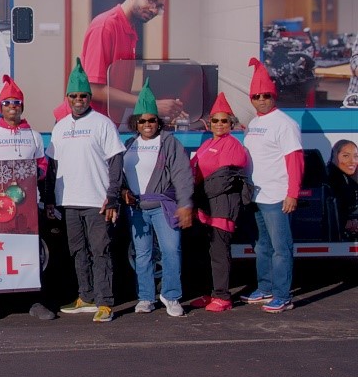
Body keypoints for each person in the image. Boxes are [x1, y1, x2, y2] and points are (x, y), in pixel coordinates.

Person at [45, 58, 125, 323]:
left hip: (97, 202)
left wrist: (113, 196)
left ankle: (105, 303)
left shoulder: (103, 123)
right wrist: (49, 199)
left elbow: (116, 162)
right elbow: (53, 166)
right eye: (73, 96)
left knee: (101, 251)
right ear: (67, 97)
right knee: (78, 251)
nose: (78, 100)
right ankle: (86, 296)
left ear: (90, 97)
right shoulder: (61, 127)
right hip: (68, 202)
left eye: (83, 95)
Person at [0, 75, 53, 322]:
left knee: (31, 255)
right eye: (7, 103)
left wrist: (34, 174)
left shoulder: (34, 136)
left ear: (22, 106)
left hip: (30, 206)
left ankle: (35, 301)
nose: (12, 107)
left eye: (16, 103)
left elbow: (43, 166)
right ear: (1, 107)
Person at [120, 81, 194, 317]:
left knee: (171, 250)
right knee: (142, 254)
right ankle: (145, 298)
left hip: (163, 206)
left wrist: (185, 205)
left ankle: (171, 296)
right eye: (142, 120)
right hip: (137, 207)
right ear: (136, 123)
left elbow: (183, 175)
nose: (147, 124)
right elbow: (119, 175)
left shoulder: (169, 142)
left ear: (158, 122)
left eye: (152, 120)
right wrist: (123, 192)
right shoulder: (129, 144)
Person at [72, 0, 183, 124]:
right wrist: (149, 104)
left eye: (159, 6)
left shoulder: (131, 29)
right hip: (83, 123)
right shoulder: (105, 26)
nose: (154, 9)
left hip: (106, 122)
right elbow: (93, 89)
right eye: (150, 0)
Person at [241, 58, 304, 313]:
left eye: (267, 95)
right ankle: (265, 288)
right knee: (262, 246)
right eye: (257, 96)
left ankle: (283, 295)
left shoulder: (285, 124)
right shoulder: (255, 124)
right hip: (257, 195)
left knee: (281, 248)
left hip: (277, 197)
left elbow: (295, 161)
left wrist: (292, 194)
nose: (262, 99)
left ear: (274, 96)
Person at [188, 93, 248, 313]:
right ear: (209, 123)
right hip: (205, 207)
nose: (220, 124)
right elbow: (193, 169)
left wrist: (197, 192)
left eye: (224, 120)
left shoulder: (233, 145)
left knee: (220, 253)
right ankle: (210, 293)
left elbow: (223, 178)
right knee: (206, 253)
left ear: (231, 123)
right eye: (216, 120)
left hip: (221, 207)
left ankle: (223, 296)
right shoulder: (207, 144)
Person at [327, 139, 358, 240]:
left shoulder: (350, 179)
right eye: (346, 156)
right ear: (335, 156)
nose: (352, 161)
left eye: (356, 156)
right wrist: (346, 221)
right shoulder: (330, 179)